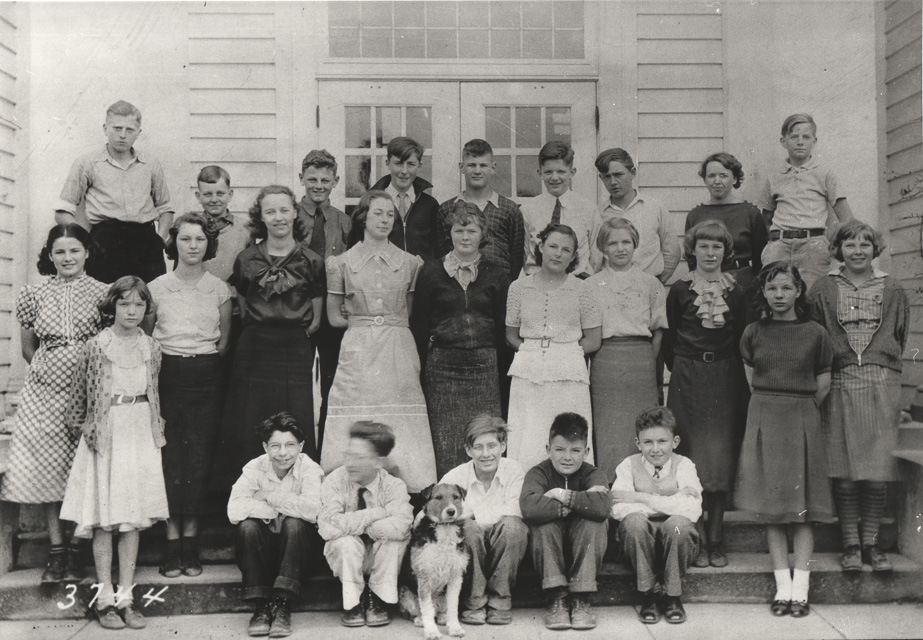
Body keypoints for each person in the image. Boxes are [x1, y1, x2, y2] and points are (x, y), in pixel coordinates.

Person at [0, 224, 108, 583]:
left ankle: (78, 549)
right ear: (50, 255)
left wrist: (83, 382)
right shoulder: (35, 293)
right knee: (49, 469)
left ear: (87, 252)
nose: (67, 258)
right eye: (60, 251)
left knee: (85, 469)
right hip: (44, 394)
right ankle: (57, 551)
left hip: (89, 392)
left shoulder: (103, 293)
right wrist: (53, 373)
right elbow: (28, 348)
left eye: (74, 250)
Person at [60, 276, 169, 630]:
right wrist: (88, 431)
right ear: (112, 307)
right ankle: (104, 599)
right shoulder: (96, 346)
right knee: (105, 519)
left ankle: (126, 597)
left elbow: (154, 391)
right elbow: (78, 399)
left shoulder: (152, 347)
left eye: (139, 304)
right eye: (125, 304)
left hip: (139, 435)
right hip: (106, 435)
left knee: (131, 518)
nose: (132, 311)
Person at [320, 190, 437, 493]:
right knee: (357, 409)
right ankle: (348, 484)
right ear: (363, 217)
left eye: (390, 215)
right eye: (377, 213)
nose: (384, 220)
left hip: (397, 346)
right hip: (358, 348)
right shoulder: (341, 263)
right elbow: (334, 317)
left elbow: (408, 312)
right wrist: (364, 322)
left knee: (400, 413)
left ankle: (409, 487)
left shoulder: (410, 263)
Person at [211, 186, 325, 492]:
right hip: (255, 347)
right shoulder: (247, 258)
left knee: (295, 418)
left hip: (293, 348)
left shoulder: (311, 260)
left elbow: (316, 317)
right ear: (260, 217)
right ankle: (250, 495)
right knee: (250, 417)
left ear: (295, 213)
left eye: (284, 210)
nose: (278, 217)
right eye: (270, 211)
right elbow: (244, 304)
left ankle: (297, 495)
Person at [736, 262, 835, 618]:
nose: (779, 295)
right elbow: (752, 380)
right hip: (765, 417)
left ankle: (801, 591)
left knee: (803, 510)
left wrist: (800, 410)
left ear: (798, 291)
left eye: (786, 288)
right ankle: (782, 588)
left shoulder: (816, 333)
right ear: (763, 292)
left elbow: (823, 382)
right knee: (773, 510)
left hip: (802, 418)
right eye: (772, 288)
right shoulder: (753, 332)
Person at [810, 221, 909, 573]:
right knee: (845, 471)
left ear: (874, 249)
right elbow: (816, 335)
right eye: (850, 244)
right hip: (839, 381)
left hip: (881, 382)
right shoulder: (823, 288)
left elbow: (899, 335)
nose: (857, 251)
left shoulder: (892, 287)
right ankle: (851, 544)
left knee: (876, 471)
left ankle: (872, 544)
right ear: (839, 250)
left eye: (865, 244)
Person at [147, 213, 232, 578]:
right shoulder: (157, 288)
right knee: (170, 457)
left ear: (208, 244)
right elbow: (148, 338)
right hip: (167, 375)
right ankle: (171, 545)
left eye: (200, 239)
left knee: (198, 458)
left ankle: (191, 545)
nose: (193, 245)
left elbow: (224, 342)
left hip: (206, 377)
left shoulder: (219, 289)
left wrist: (201, 364)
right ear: (174, 243)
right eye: (185, 239)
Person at [664, 220, 749, 569]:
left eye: (717, 247)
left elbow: (742, 336)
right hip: (688, 376)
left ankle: (716, 538)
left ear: (725, 252)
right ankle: (696, 537)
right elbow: (671, 338)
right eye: (704, 246)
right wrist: (686, 366)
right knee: (690, 456)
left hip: (725, 377)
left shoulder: (736, 292)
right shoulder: (680, 290)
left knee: (719, 458)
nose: (710, 253)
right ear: (693, 250)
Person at [411, 202, 509, 478]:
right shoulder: (430, 271)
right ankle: (449, 493)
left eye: (472, 231)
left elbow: (503, 327)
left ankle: (487, 493)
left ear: (483, 235)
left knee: (485, 435)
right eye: (459, 230)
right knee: (446, 438)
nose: (465, 237)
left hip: (484, 367)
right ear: (450, 233)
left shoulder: (497, 274)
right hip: (443, 367)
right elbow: (420, 324)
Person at [505, 223, 601, 471]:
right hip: (528, 369)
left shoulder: (583, 289)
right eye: (553, 246)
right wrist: (533, 352)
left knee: (569, 431)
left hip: (569, 371)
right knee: (529, 432)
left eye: (566, 250)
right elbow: (511, 335)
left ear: (574, 255)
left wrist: (564, 353)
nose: (558, 254)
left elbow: (593, 339)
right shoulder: (518, 288)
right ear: (540, 247)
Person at [228, 412, 325, 638]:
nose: (283, 453)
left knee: (294, 524)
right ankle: (262, 605)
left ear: (301, 446)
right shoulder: (254, 467)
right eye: (275, 446)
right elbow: (234, 510)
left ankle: (282, 603)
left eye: (290, 445)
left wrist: (268, 497)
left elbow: (314, 511)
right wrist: (282, 509)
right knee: (248, 527)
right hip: (263, 553)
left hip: (298, 554)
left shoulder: (310, 469)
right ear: (265, 447)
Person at [54, 100, 174, 284]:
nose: (123, 135)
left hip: (146, 244)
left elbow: (165, 208)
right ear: (105, 128)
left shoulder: (150, 164)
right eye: (117, 128)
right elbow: (63, 212)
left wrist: (159, 240)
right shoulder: (87, 163)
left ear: (139, 133)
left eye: (130, 130)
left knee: (149, 297)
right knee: (106, 298)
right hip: (105, 243)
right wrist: (86, 241)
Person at [586, 218, 668, 482]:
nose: (620, 248)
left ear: (635, 245)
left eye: (626, 242)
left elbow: (658, 330)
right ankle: (610, 485)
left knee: (642, 424)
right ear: (602, 247)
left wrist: (647, 361)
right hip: (605, 360)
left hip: (641, 360)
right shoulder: (591, 285)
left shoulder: (650, 284)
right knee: (609, 428)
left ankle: (643, 485)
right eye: (613, 243)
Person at [611, 406, 702, 626]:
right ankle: (649, 594)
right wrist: (673, 501)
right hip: (639, 544)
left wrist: (640, 498)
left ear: (675, 442)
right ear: (638, 443)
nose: (655, 449)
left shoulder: (684, 465)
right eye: (648, 442)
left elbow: (691, 509)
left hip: (677, 543)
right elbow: (618, 507)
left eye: (662, 441)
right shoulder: (628, 465)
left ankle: (672, 596)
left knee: (678, 525)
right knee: (634, 522)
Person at [520, 412, 609, 631]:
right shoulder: (538, 473)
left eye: (575, 450)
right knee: (542, 524)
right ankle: (556, 598)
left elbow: (602, 507)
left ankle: (581, 599)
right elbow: (530, 507)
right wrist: (580, 503)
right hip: (550, 550)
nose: (567, 457)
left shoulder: (593, 474)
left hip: (584, 548)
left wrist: (561, 494)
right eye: (559, 449)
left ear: (586, 452)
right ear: (548, 449)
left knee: (594, 522)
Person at [319, 421, 413, 628]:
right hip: (347, 557)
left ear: (378, 462)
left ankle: (375, 598)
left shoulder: (393, 486)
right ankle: (352, 602)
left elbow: (402, 525)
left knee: (394, 541)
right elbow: (328, 527)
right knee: (345, 542)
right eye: (348, 455)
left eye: (359, 457)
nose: (350, 463)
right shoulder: (335, 481)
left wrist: (359, 525)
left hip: (377, 555)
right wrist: (377, 513)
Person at [439, 414, 528, 626]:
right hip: (471, 546)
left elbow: (517, 508)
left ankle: (500, 601)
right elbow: (430, 512)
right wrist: (463, 519)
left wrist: (473, 513)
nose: (486, 454)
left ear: (503, 445)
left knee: (514, 526)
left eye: (492, 446)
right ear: (468, 450)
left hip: (503, 543)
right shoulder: (456, 477)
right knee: (467, 528)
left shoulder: (514, 470)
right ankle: (474, 602)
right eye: (478, 447)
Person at [295, 150, 352, 447]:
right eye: (312, 179)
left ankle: (327, 448)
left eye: (325, 180)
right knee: (298, 380)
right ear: (301, 178)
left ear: (336, 181)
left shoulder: (344, 221)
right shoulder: (289, 217)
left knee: (333, 380)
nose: (318, 186)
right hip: (297, 310)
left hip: (332, 313)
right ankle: (298, 445)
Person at [760, 113, 854, 290]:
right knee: (777, 294)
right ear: (783, 141)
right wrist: (774, 243)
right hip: (779, 246)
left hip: (813, 247)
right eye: (794, 137)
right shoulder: (773, 177)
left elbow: (846, 218)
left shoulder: (824, 174)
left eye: (806, 137)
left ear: (814, 141)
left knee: (812, 296)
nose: (800, 142)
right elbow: (765, 220)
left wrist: (826, 243)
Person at [437, 138, 525, 282]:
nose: (477, 171)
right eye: (471, 165)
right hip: (456, 284)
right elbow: (441, 251)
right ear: (461, 167)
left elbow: (516, 258)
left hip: (498, 285)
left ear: (493, 168)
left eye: (483, 165)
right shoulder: (447, 209)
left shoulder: (509, 209)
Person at [685, 152, 767, 297]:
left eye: (723, 175)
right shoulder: (695, 215)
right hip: (706, 285)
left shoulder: (750, 213)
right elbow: (691, 258)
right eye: (711, 176)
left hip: (742, 284)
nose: (717, 181)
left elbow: (760, 259)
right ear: (705, 180)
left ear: (734, 179)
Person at [594, 148, 680, 284]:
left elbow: (672, 251)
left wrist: (656, 283)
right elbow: (595, 258)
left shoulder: (654, 208)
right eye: (607, 176)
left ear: (632, 173)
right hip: (611, 288)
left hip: (648, 286)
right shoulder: (598, 214)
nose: (613, 182)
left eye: (618, 174)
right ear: (601, 178)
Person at [520, 141, 599, 279]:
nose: (554, 178)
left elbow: (596, 256)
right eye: (548, 172)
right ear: (540, 173)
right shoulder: (528, 210)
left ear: (572, 172)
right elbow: (524, 253)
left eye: (561, 171)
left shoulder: (588, 209)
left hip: (577, 282)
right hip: (538, 282)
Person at [370, 136, 441, 260]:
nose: (404, 171)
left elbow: (437, 249)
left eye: (411, 164)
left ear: (419, 166)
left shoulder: (430, 205)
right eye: (398, 163)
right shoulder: (371, 202)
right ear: (387, 163)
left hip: (421, 272)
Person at [196, 165, 249, 283]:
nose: (214, 200)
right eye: (207, 194)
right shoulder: (190, 228)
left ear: (230, 194)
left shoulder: (246, 229)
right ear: (198, 197)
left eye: (220, 194)